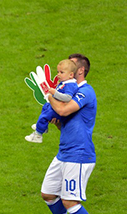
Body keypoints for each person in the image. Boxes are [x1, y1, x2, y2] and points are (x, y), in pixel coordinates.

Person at [40, 53, 96, 214]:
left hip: (78, 154)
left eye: (71, 64)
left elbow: (63, 111)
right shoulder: (66, 92)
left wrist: (49, 95)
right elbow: (66, 121)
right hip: (64, 152)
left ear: (80, 70)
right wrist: (56, 123)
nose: (66, 66)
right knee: (48, 194)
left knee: (70, 201)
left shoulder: (85, 91)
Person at [25, 59, 78, 143]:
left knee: (45, 116)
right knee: (45, 107)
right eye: (58, 72)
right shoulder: (65, 82)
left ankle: (38, 135)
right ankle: (43, 127)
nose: (58, 75)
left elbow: (68, 97)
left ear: (71, 75)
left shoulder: (70, 85)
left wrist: (55, 93)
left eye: (62, 72)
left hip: (59, 109)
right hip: (55, 106)